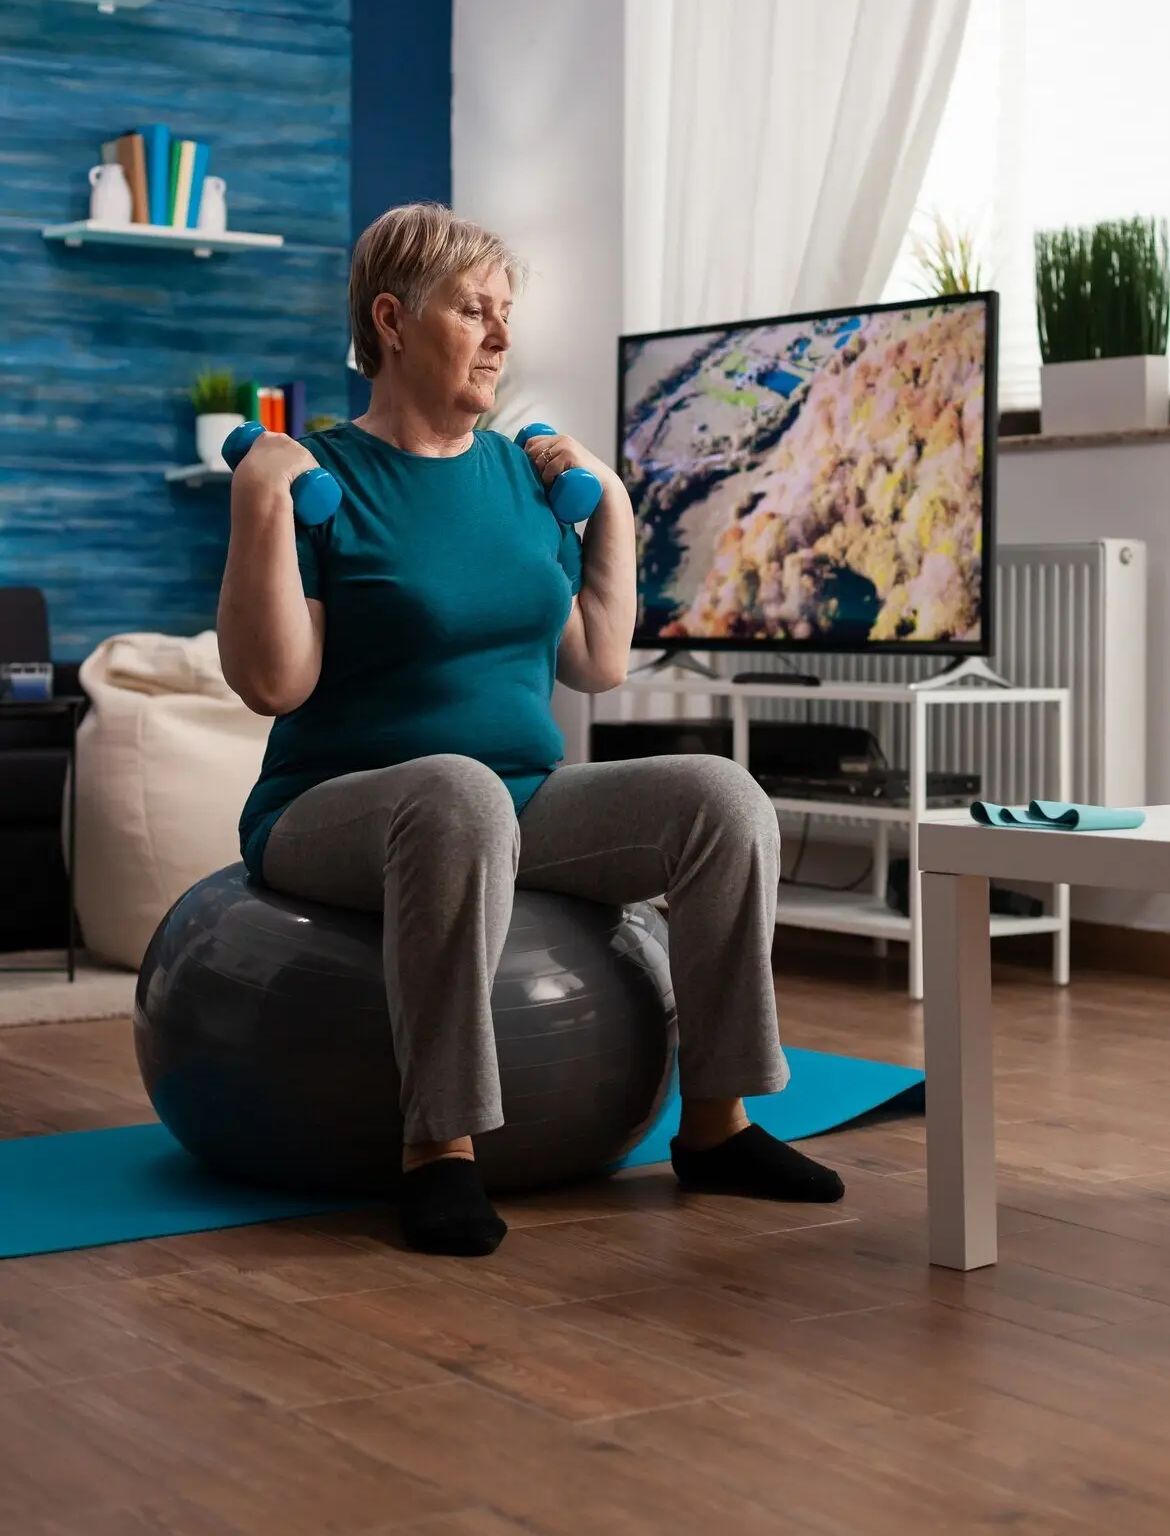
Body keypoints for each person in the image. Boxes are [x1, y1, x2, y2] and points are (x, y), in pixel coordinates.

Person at [219, 203, 843, 1256]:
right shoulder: (322, 478)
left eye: (506, 311)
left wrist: (615, 507)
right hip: (335, 808)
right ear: (392, 320)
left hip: (518, 801)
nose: (502, 335)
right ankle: (440, 1149)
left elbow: (595, 660)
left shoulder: (520, 479)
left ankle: (718, 1122)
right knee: (455, 791)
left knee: (719, 798)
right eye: (474, 310)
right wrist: (259, 500)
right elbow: (273, 685)